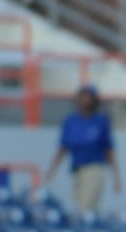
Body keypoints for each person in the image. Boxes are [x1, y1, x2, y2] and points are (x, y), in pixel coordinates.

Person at [43, 84, 120, 212]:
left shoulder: (101, 121)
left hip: (94, 168)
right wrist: (52, 170)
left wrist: (116, 177)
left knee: (84, 208)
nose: (85, 100)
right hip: (77, 169)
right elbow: (63, 148)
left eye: (89, 97)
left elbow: (109, 150)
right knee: (88, 209)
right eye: (83, 96)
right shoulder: (71, 121)